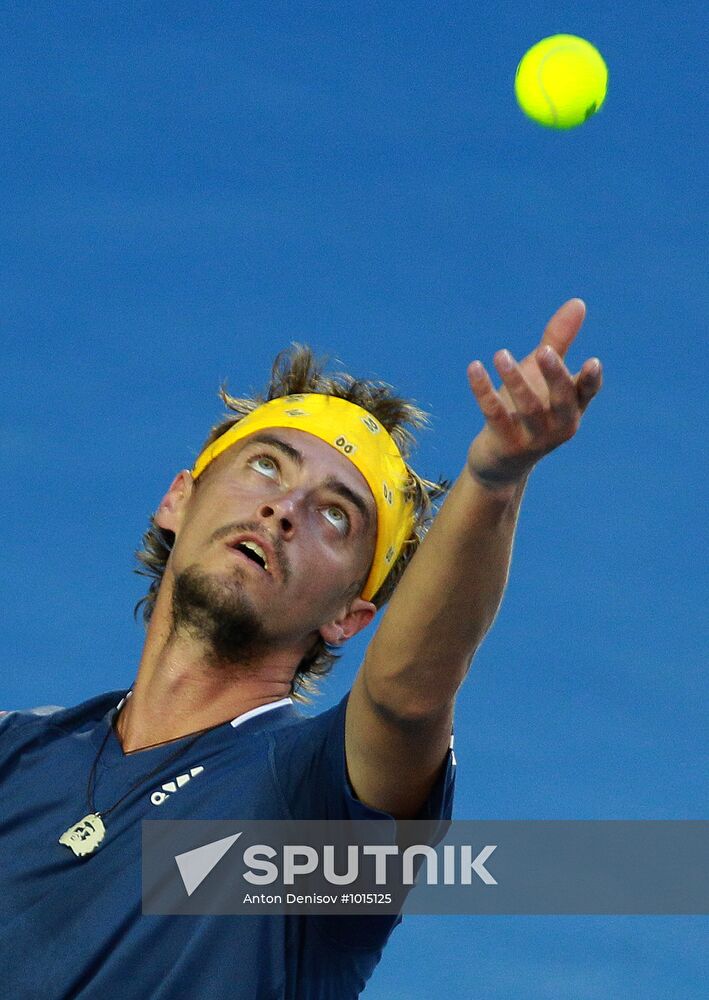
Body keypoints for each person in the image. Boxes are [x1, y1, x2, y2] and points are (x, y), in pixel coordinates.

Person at [0, 298, 602, 998]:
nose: (284, 510)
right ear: (177, 500)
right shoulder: (19, 753)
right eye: (264, 466)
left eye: (336, 515)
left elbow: (406, 698)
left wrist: (495, 479)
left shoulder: (312, 808)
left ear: (350, 616)